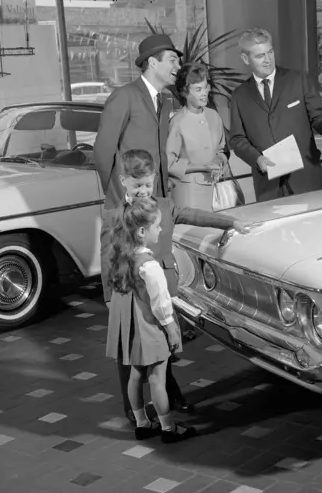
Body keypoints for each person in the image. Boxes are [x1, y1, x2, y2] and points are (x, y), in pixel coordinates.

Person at [101, 149, 257, 424]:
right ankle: (133, 408)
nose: (144, 191)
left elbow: (194, 215)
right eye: (138, 186)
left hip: (161, 289)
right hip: (130, 297)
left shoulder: (164, 205)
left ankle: (170, 396)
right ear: (124, 181)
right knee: (130, 355)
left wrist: (230, 221)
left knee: (163, 349)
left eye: (148, 185)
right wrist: (110, 299)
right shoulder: (114, 215)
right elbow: (107, 259)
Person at [105, 196, 195, 443]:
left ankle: (142, 423)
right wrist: (173, 330)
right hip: (152, 329)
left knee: (135, 376)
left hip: (135, 327)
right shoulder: (150, 265)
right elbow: (161, 303)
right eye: (158, 226)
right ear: (143, 231)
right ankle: (168, 429)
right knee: (158, 379)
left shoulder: (126, 258)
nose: (161, 229)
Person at [229, 27, 322, 203]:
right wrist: (257, 159)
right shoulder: (240, 96)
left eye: (270, 52)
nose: (267, 60)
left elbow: (319, 115)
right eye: (260, 56)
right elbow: (237, 139)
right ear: (245, 59)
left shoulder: (297, 80)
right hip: (268, 188)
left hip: (307, 180)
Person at [94, 33, 182, 209]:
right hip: (129, 200)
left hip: (158, 197)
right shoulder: (124, 96)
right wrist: (115, 190)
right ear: (152, 62)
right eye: (172, 60)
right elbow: (103, 150)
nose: (178, 66)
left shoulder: (165, 101)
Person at [167, 62, 229, 303]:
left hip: (213, 192)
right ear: (184, 92)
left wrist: (218, 161)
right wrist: (201, 166)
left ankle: (214, 303)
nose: (204, 93)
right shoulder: (177, 122)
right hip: (188, 194)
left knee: (213, 249)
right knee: (190, 254)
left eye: (206, 87)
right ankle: (188, 307)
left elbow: (223, 149)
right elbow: (169, 163)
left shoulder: (214, 116)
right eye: (197, 89)